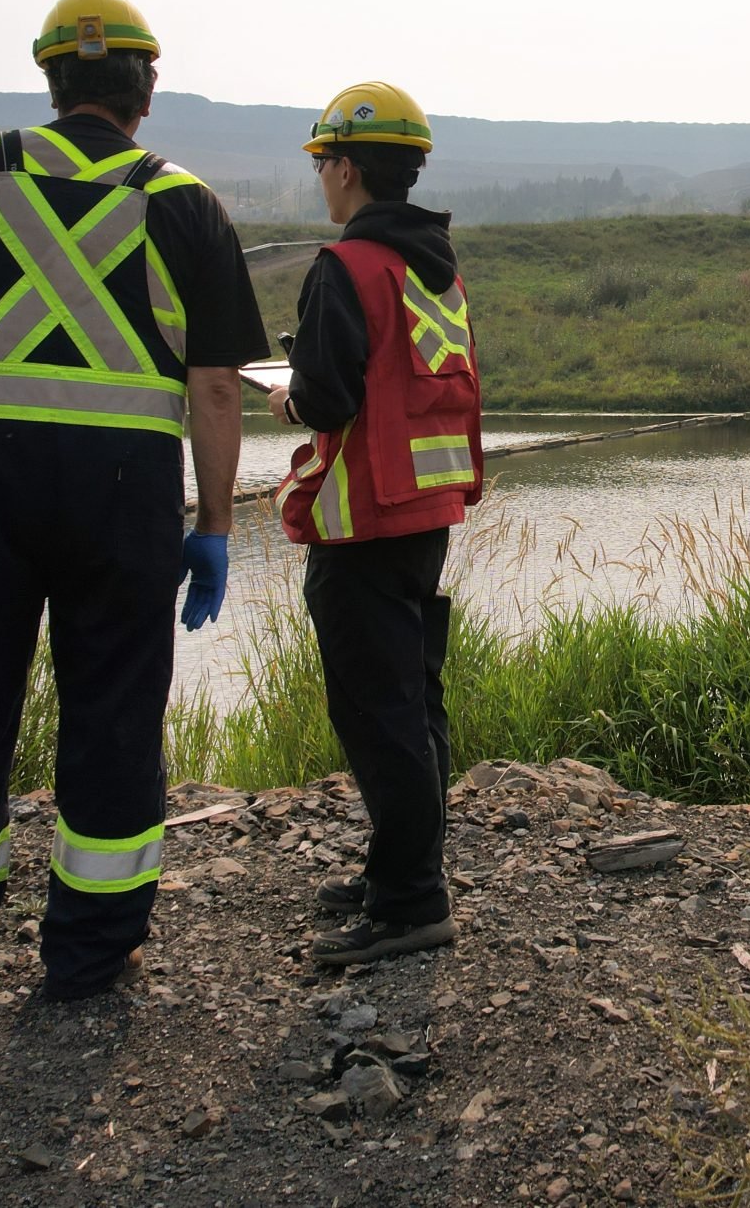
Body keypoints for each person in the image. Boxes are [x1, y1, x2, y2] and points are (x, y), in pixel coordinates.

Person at [0, 0, 265, 1009]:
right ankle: (89, 959)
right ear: (147, 89)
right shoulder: (186, 203)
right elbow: (217, 387)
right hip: (126, 491)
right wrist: (214, 526)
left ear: (51, 79)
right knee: (114, 717)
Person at [268, 80, 483, 966]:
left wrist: (286, 400)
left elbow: (328, 393)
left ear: (348, 168)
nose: (322, 178)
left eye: (324, 162)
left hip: (361, 521)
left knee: (377, 710)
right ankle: (404, 867)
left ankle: (409, 902)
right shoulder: (437, 265)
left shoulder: (346, 267)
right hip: (425, 513)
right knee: (413, 701)